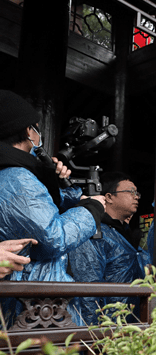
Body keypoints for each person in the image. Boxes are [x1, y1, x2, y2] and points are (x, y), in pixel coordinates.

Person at [0, 90, 106, 326]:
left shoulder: (13, 173)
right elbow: (51, 237)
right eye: (36, 127)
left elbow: (36, 213)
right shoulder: (17, 178)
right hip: (35, 311)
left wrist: (52, 183)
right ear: (29, 131)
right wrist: (91, 210)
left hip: (31, 307)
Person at [68, 172, 149, 324]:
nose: (136, 197)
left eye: (137, 193)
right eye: (130, 192)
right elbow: (88, 285)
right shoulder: (94, 230)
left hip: (132, 320)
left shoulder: (124, 233)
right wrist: (94, 333)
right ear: (109, 197)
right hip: (107, 325)